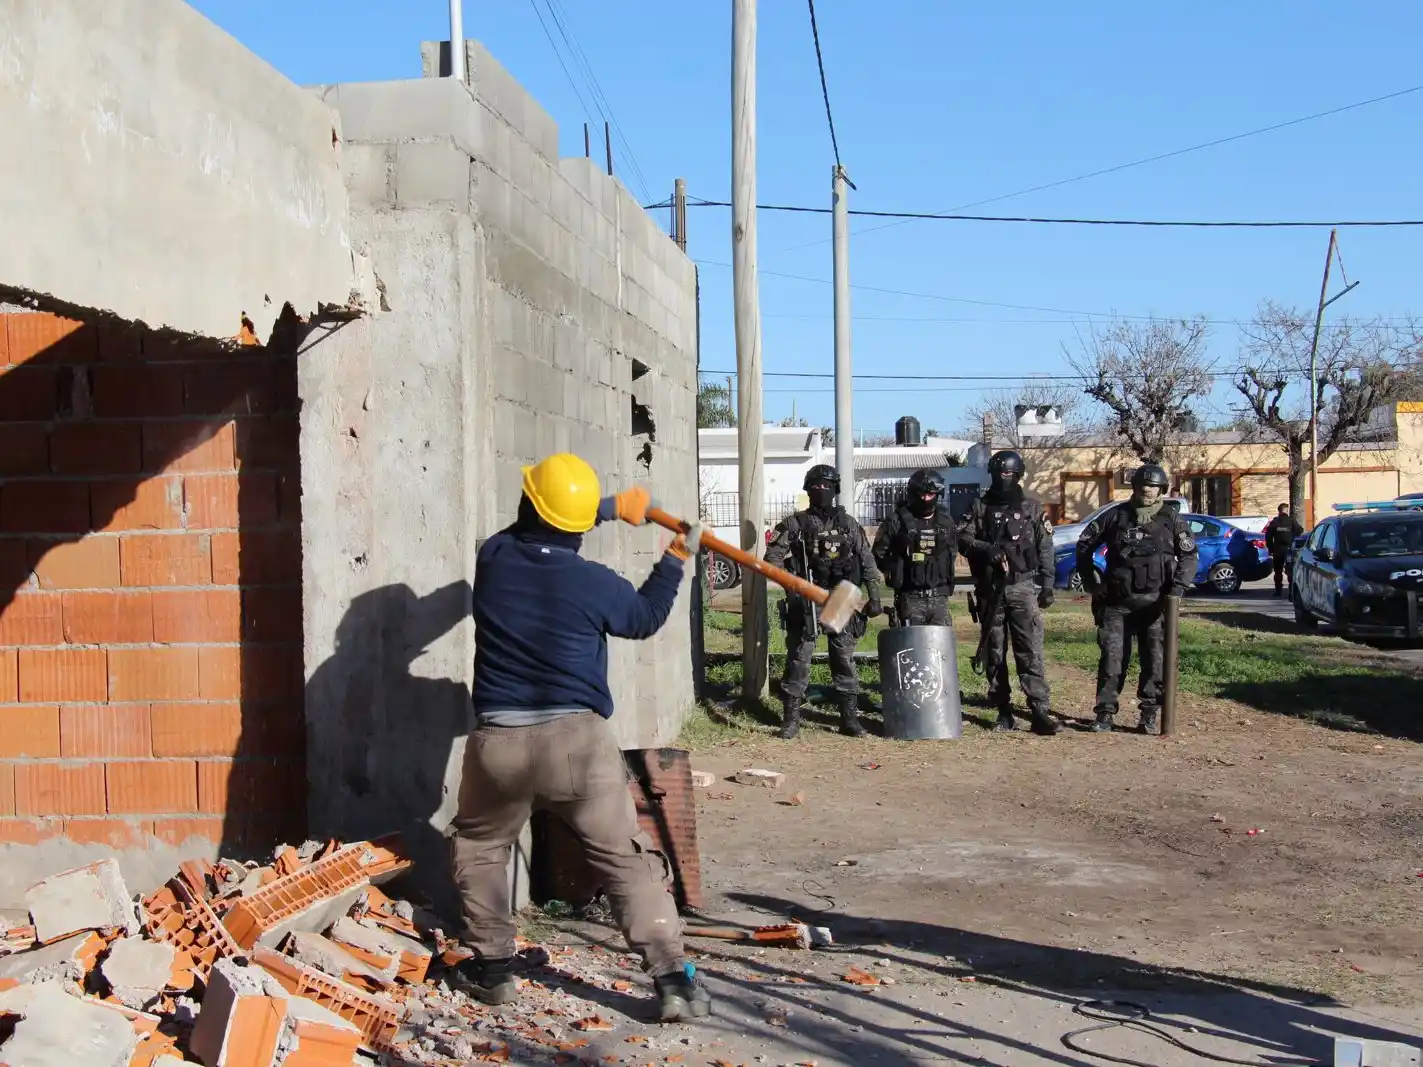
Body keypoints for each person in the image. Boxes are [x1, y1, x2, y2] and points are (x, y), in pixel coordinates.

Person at [449, 453, 711, 1022]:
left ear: (527, 506)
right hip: (579, 745)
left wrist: (613, 508)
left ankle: (492, 968)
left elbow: (545, 523)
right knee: (621, 858)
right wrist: (675, 556)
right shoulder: (595, 585)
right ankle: (672, 979)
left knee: (482, 847)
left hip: (500, 745)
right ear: (576, 525)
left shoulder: (493, 558)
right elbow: (643, 618)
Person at [1077, 463, 1197, 734]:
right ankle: (1105, 713)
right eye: (1142, 485)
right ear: (1134, 488)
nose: (1147, 490)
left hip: (1155, 605)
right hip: (1117, 604)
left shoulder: (1172, 519)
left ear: (1161, 490)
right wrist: (1092, 582)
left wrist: (1177, 589)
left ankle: (1149, 714)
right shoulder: (1115, 516)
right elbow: (1084, 545)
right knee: (1112, 659)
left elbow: (1189, 557)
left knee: (1154, 661)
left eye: (1153, 486)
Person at [767, 464, 885, 739]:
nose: (822, 491)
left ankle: (849, 720)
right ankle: (791, 721)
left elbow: (867, 561)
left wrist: (875, 596)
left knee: (844, 659)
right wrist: (795, 585)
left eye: (827, 486)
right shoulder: (794, 524)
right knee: (799, 660)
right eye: (816, 486)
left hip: (842, 597)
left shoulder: (848, 525)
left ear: (836, 490)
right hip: (807, 598)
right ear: (808, 490)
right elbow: (772, 560)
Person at [957, 450, 1058, 736]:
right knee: (994, 650)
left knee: (1030, 650)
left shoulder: (1032, 508)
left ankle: (1039, 709)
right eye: (999, 474)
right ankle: (1003, 709)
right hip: (991, 589)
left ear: (1018, 475)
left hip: (1023, 587)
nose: (1004, 480)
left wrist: (1048, 584)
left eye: (1009, 475)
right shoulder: (979, 506)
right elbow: (961, 536)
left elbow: (1045, 547)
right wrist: (987, 549)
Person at [872, 468, 957, 626]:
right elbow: (877, 554)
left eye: (930, 494)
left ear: (938, 495)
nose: (925, 499)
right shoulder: (896, 521)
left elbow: (952, 552)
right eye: (921, 494)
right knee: (912, 647)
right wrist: (896, 563)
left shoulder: (946, 523)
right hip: (909, 598)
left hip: (939, 598)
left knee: (940, 648)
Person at [1263, 503, 1303, 597]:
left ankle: (1278, 591)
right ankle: (1291, 592)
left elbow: (1268, 536)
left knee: (1278, 571)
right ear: (1286, 510)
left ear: (1279, 511)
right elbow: (1300, 531)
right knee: (1290, 570)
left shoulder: (1275, 522)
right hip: (1289, 549)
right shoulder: (1291, 520)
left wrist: (1270, 548)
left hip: (1278, 549)